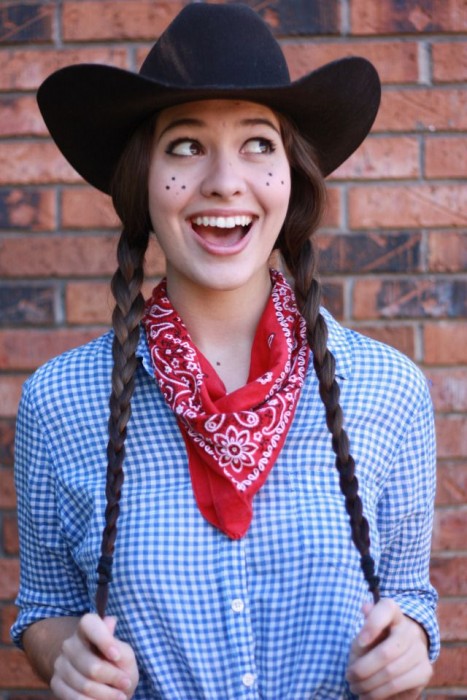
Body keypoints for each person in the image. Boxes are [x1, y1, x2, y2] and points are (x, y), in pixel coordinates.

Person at [11, 3, 439, 699]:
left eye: (257, 144)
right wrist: (66, 659)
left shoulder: (389, 390)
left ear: (291, 176)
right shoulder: (59, 401)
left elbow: (409, 600)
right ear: (141, 182)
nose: (223, 181)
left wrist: (408, 651)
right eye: (184, 145)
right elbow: (45, 608)